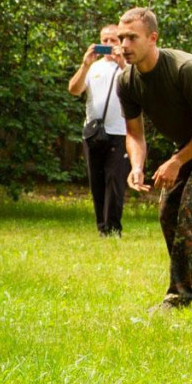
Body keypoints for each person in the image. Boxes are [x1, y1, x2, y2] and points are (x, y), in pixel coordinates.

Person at [116, 7, 192, 311]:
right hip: (190, 141)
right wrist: (136, 166)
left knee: (191, 208)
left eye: (132, 37)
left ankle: (179, 296)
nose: (124, 45)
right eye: (121, 38)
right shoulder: (127, 81)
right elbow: (134, 134)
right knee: (168, 212)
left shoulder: (185, 68)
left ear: (153, 38)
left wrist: (176, 160)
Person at [68, 24, 130, 236]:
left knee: (115, 180)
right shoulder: (93, 68)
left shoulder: (128, 67)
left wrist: (122, 62)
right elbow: (74, 90)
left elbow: (137, 87)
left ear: (121, 42)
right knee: (97, 181)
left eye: (113, 40)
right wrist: (85, 64)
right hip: (94, 133)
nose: (108, 45)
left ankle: (113, 228)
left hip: (120, 132)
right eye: (104, 41)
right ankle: (101, 227)